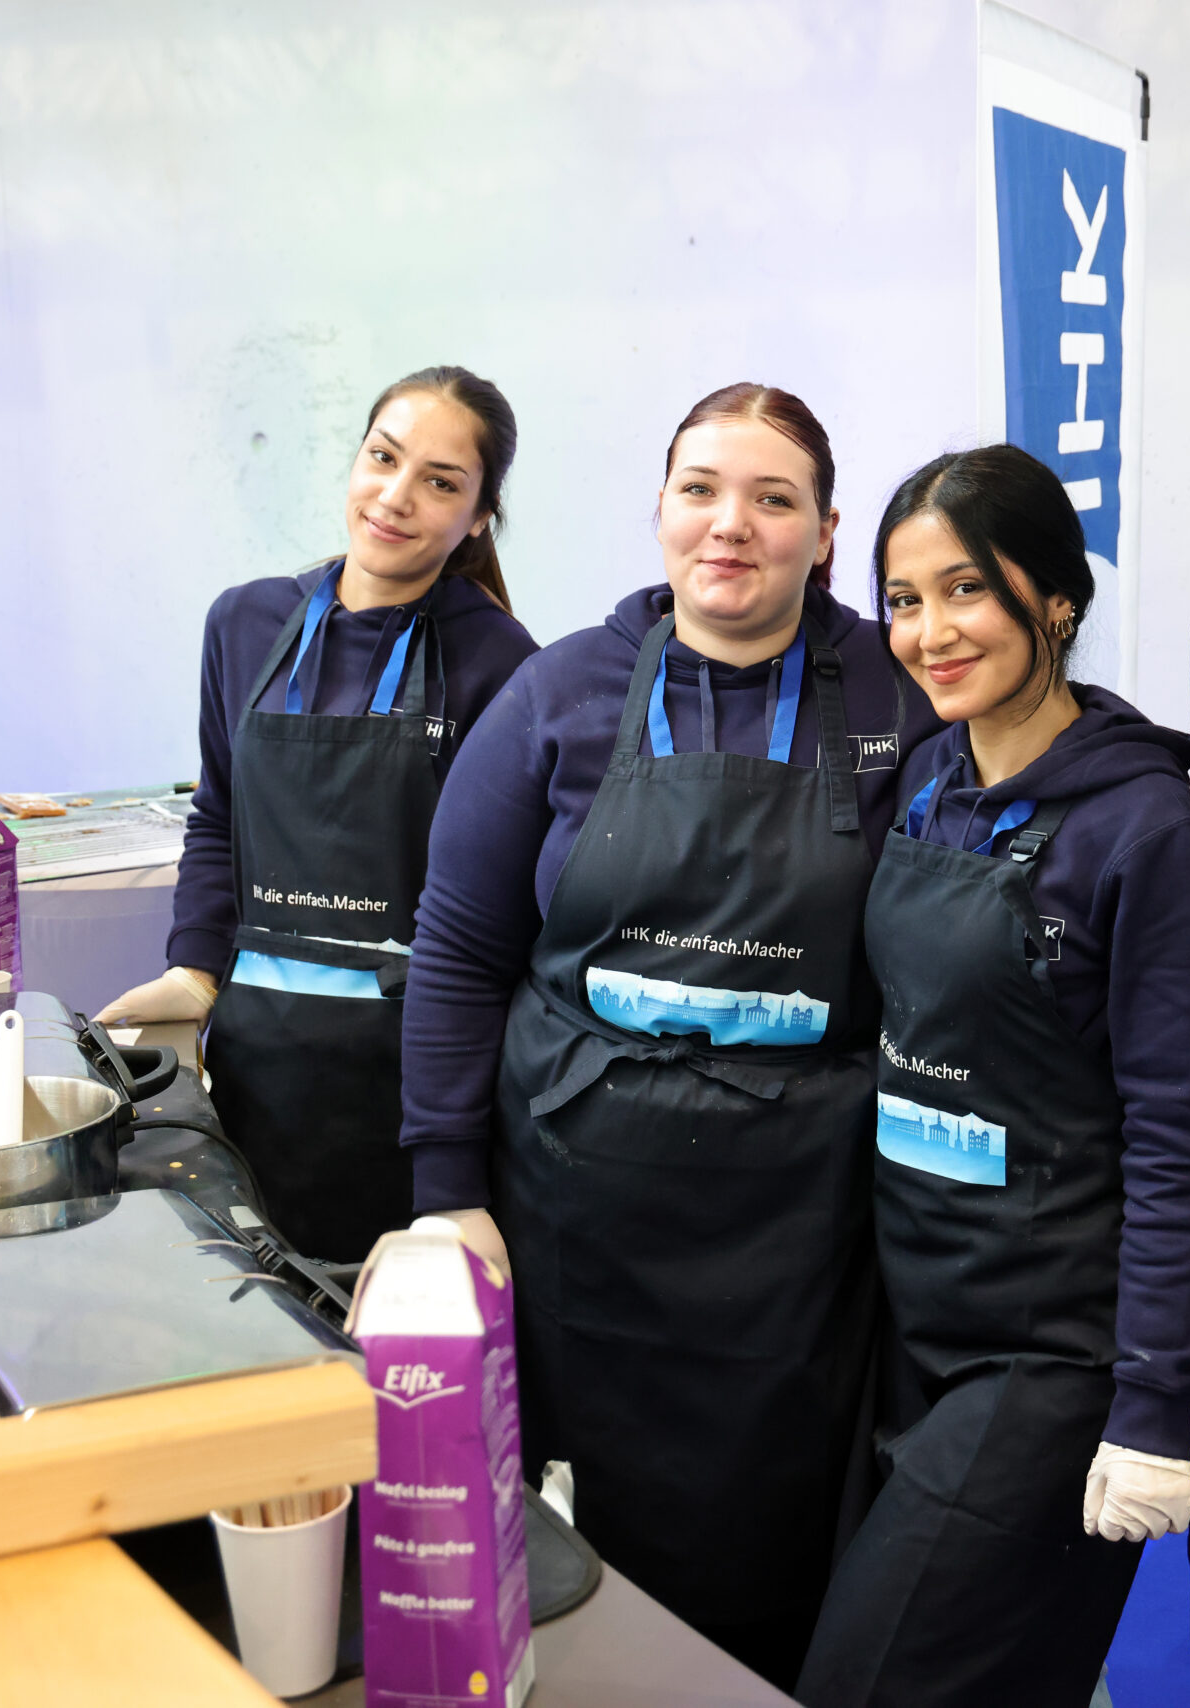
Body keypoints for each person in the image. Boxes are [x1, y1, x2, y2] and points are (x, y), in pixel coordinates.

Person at [398, 382, 942, 1686]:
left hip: (800, 1231)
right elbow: (459, 949)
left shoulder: (899, 690)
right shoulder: (560, 694)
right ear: (659, 509)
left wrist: (1153, 806)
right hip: (576, 1213)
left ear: (827, 532)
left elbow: (1037, 764)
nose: (730, 525)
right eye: (701, 489)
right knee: (589, 1555)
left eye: (773, 499)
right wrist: (444, 1189)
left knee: (777, 1553)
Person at [794, 445, 1190, 1708]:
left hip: (1052, 1358)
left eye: (965, 589)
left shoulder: (1140, 834)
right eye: (902, 599)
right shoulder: (927, 785)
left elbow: (1174, 1137)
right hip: (916, 1324)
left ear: (1055, 599)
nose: (929, 632)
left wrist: (1151, 1405)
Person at [99, 366, 538, 1262]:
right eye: (383, 458)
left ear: (478, 517)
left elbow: (501, 903)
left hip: (418, 1079)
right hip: (260, 1063)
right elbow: (217, 816)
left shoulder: (503, 663)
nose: (396, 496)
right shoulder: (243, 624)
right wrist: (195, 970)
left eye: (441, 482)